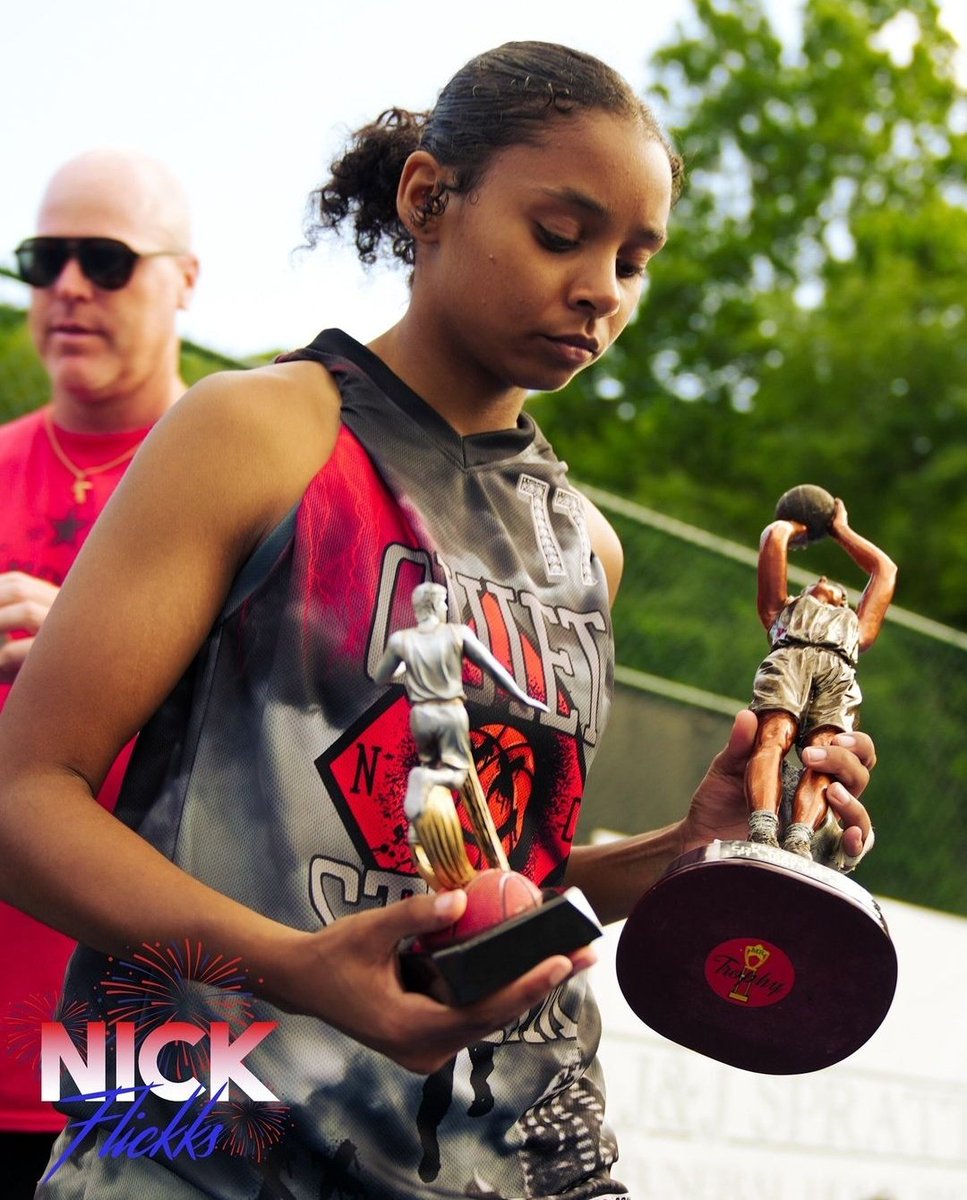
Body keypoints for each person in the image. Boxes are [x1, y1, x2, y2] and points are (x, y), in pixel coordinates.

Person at [0, 44, 875, 1199]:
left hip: (504, 1161)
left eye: (633, 260)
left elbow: (497, 881)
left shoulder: (586, 546)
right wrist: (294, 967)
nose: (602, 289)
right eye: (560, 235)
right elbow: (22, 802)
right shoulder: (259, 432)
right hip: (203, 1148)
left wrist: (685, 849)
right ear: (427, 199)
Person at [0, 148, 198, 1189]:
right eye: (45, 260)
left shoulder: (253, 488)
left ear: (185, 281)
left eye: (108, 260)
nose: (70, 286)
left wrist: (98, 654)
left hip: (160, 1035)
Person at [745, 498, 896, 863]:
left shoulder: (855, 627)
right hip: (790, 660)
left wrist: (841, 530)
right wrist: (802, 526)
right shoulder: (784, 612)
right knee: (772, 737)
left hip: (838, 674)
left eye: (834, 585)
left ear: (845, 602)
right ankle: (762, 825)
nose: (824, 580)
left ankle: (800, 837)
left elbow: (884, 569)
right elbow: (774, 537)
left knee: (826, 754)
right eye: (814, 582)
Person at [375, 580, 548, 889]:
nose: (446, 607)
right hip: (448, 711)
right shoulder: (456, 634)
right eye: (443, 603)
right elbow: (494, 669)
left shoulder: (403, 640)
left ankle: (420, 816)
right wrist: (523, 697)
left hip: (421, 715)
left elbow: (382, 676)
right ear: (436, 605)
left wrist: (411, 666)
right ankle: (424, 783)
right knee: (456, 775)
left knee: (435, 770)